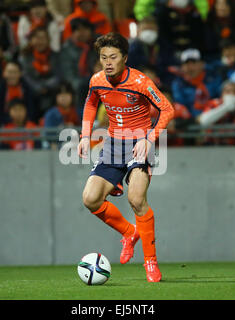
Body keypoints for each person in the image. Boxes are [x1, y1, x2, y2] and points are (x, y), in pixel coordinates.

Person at [78, 33, 174, 282]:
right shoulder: (97, 81)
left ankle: (150, 262)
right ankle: (130, 233)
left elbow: (167, 108)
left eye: (113, 57)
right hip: (113, 145)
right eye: (103, 57)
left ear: (124, 58)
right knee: (90, 199)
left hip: (139, 143)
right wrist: (84, 136)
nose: (107, 62)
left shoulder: (141, 82)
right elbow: (90, 105)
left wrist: (149, 138)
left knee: (136, 198)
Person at [198, 80, 235, 145]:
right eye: (228, 92)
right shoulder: (214, 103)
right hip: (212, 145)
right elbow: (203, 121)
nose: (231, 94)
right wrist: (225, 107)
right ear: (222, 94)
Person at [19, 26, 61, 113]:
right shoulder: (24, 57)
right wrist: (38, 87)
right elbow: (26, 77)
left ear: (48, 40)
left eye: (43, 38)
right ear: (31, 40)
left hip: (51, 91)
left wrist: (45, 87)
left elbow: (58, 75)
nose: (40, 41)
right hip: (32, 92)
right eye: (37, 38)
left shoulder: (56, 56)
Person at [170, 48, 222, 117]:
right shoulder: (178, 84)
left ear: (202, 64)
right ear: (182, 67)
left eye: (193, 63)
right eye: (186, 64)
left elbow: (219, 99)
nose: (190, 68)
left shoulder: (214, 78)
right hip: (189, 123)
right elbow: (180, 105)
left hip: (214, 119)